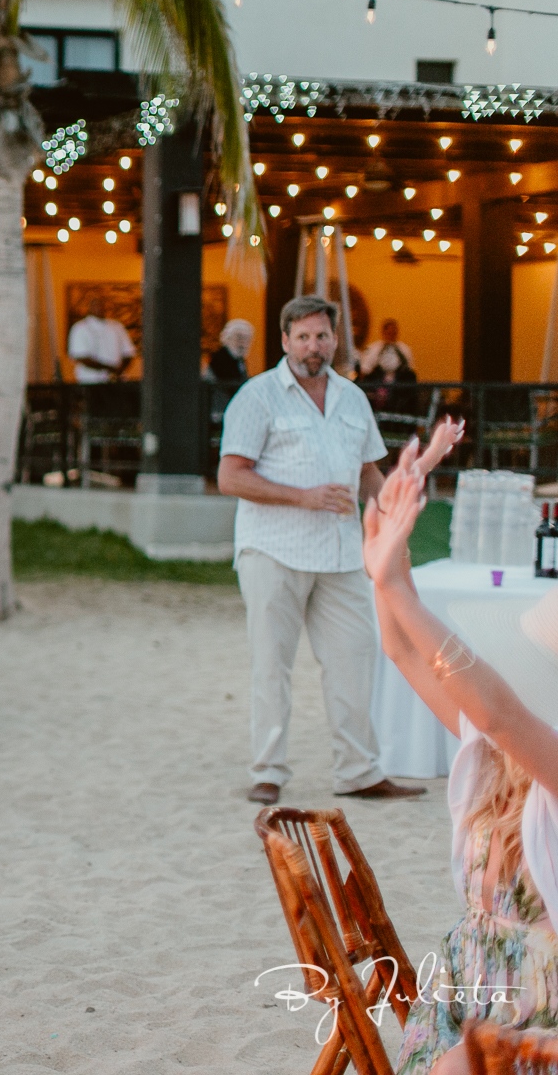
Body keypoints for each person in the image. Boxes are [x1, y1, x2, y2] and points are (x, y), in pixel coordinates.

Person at [363, 418, 558, 1073]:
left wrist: (394, 586)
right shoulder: (501, 757)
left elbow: (499, 713)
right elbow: (403, 654)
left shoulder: (536, 750)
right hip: (470, 987)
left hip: (534, 1011)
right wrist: (390, 563)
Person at [218, 295, 423, 806]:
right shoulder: (257, 396)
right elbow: (230, 476)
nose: (314, 346)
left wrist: (394, 524)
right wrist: (302, 497)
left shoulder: (353, 398)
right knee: (272, 664)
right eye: (304, 337)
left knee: (355, 660)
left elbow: (369, 472)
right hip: (273, 550)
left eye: (323, 336)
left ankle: (359, 772)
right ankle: (267, 770)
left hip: (341, 554)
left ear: (336, 340)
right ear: (285, 341)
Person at [67, 294, 135, 383]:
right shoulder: (80, 328)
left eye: (102, 304)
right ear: (89, 307)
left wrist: (119, 370)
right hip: (90, 380)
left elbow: (128, 352)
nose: (100, 307)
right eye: (96, 305)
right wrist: (109, 368)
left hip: (116, 380)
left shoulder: (117, 326)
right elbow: (80, 356)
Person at [207, 319, 254, 384]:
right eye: (239, 337)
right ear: (227, 338)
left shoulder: (239, 359)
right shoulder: (220, 359)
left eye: (247, 339)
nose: (243, 343)